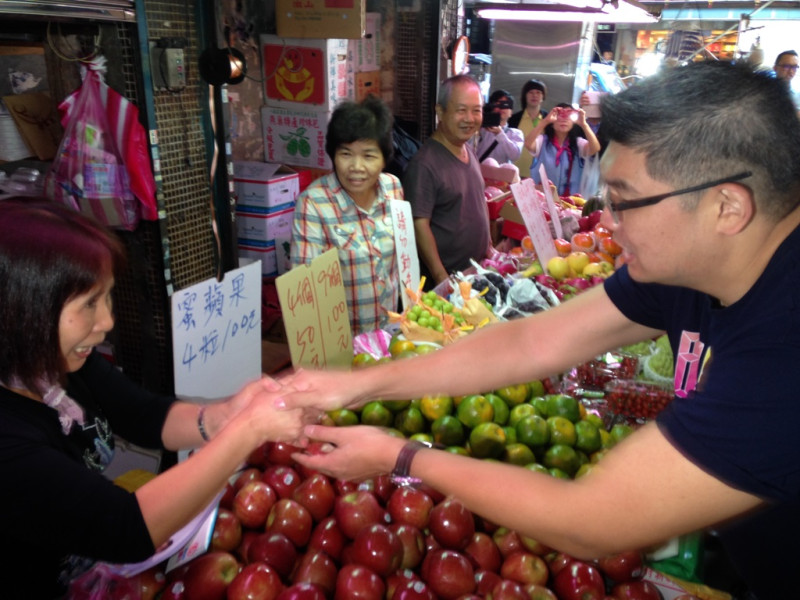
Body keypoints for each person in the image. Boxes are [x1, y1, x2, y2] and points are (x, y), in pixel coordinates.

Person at [279, 61, 800, 599]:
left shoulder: (786, 351)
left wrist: (400, 456)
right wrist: (360, 384)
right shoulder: (691, 266)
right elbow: (533, 340)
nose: (608, 222)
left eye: (622, 200)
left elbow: (591, 519)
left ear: (726, 206)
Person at [0, 198, 307, 599]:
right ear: (25, 314)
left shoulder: (53, 364)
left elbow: (143, 415)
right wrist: (246, 431)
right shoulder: (8, 438)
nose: (107, 321)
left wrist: (221, 417)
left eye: (107, 297)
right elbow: (126, 527)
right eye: (89, 305)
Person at [291, 95, 403, 335]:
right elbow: (305, 290)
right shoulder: (314, 203)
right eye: (346, 154)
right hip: (344, 347)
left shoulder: (393, 188)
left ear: (384, 158)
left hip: (391, 336)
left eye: (369, 155)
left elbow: (403, 260)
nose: (356, 167)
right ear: (333, 155)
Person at [402, 74, 492, 289]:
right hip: (449, 283)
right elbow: (419, 224)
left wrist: (489, 247)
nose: (470, 118)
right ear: (440, 111)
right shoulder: (424, 164)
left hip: (473, 274)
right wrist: (441, 278)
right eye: (461, 110)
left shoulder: (468, 150)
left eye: (476, 110)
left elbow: (478, 201)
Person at [525, 102, 602, 197]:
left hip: (570, 200)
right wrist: (545, 121)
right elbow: (528, 144)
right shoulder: (543, 141)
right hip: (543, 197)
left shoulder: (578, 143)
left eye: (568, 116)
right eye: (559, 116)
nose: (564, 120)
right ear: (552, 123)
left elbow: (595, 148)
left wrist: (584, 124)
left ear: (573, 123)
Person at [507, 79, 548, 176]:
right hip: (515, 173)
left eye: (538, 92)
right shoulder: (514, 119)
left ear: (543, 97)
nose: (534, 95)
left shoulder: (548, 119)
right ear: (525, 95)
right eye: (531, 92)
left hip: (540, 175)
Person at [474, 90, 524, 165]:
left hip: (499, 174)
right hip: (477, 170)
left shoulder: (515, 133)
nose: (501, 108)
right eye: (497, 104)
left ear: (511, 112)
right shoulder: (482, 128)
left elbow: (515, 155)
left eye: (506, 105)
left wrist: (500, 133)